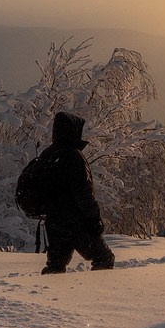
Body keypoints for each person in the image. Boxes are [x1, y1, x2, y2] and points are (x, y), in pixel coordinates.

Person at [16, 111, 115, 274]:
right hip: (76, 222)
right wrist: (94, 218)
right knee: (104, 258)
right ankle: (97, 297)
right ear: (73, 131)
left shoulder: (48, 154)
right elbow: (83, 193)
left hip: (53, 222)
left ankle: (46, 296)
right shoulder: (73, 156)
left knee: (55, 266)